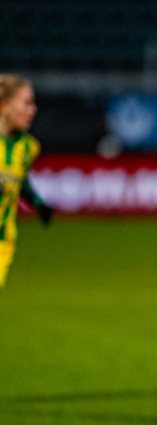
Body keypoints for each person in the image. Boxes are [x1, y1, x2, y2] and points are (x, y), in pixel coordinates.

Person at [0, 74, 53, 293]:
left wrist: (37, 202)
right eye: (26, 103)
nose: (33, 110)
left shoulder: (29, 148)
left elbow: (20, 180)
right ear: (4, 106)